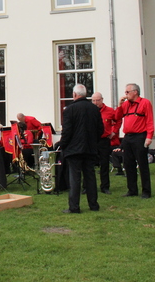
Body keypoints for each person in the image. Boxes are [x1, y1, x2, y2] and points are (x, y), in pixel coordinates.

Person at [58, 84, 103, 214]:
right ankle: (93, 205)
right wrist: (94, 142)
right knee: (90, 177)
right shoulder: (94, 109)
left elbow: (67, 131)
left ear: (74, 95)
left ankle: (74, 207)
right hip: (90, 148)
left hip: (74, 150)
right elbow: (100, 129)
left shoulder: (69, 110)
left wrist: (62, 144)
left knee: (75, 178)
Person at [115, 83, 154, 199]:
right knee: (128, 164)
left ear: (135, 92)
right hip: (128, 137)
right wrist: (119, 105)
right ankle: (132, 190)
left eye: (127, 92)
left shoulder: (145, 103)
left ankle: (146, 191)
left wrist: (149, 137)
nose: (125, 94)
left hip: (140, 136)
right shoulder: (126, 105)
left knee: (142, 164)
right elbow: (117, 117)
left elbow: (150, 120)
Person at [91, 92, 119, 194]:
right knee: (89, 164)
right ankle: (87, 187)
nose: (95, 102)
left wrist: (114, 132)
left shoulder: (110, 111)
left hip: (104, 140)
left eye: (97, 100)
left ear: (102, 100)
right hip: (92, 140)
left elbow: (118, 119)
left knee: (104, 164)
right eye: (93, 100)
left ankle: (105, 187)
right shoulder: (90, 110)